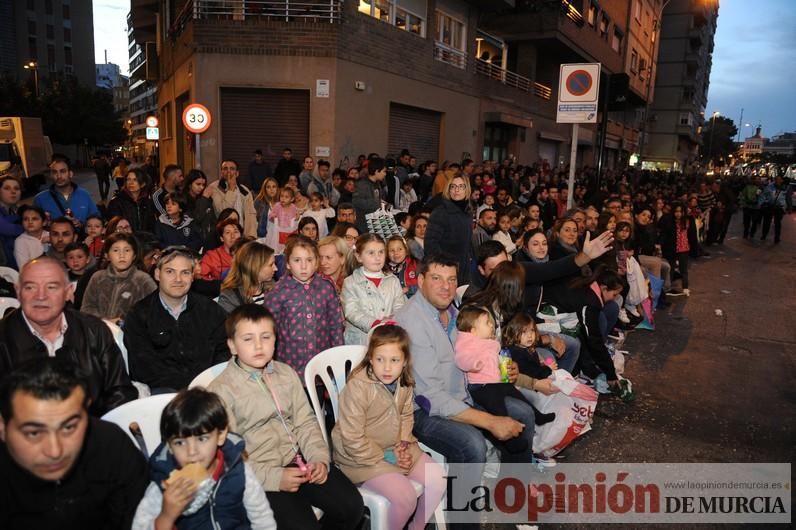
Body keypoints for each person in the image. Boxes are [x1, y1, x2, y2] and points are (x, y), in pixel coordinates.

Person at [395, 254, 534, 521]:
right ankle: (463, 523)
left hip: (465, 393)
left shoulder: (454, 311)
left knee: (523, 414)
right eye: (436, 279)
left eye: (451, 279)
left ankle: (513, 502)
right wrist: (491, 421)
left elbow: (474, 353)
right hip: (422, 412)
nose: (446, 287)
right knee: (471, 445)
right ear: (420, 281)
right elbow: (431, 398)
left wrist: (503, 369)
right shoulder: (411, 322)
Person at [208, 305, 365, 530]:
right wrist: (275, 478)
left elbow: (305, 422)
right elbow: (228, 458)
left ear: (275, 339)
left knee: (352, 507)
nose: (259, 345)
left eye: (266, 337)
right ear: (232, 345)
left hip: (300, 461)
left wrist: (319, 459)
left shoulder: (285, 373)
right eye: (248, 339)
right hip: (261, 476)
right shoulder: (221, 391)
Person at [0, 358, 149, 529]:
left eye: (69, 427)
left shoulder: (112, 447)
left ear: (87, 412)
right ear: (3, 427)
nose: (55, 451)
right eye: (34, 433)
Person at [332, 324, 446, 530]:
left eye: (394, 360)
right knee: (406, 498)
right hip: (360, 458)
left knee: (438, 480)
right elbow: (352, 438)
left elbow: (405, 415)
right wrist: (389, 458)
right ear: (370, 358)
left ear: (404, 362)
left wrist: (402, 446)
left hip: (393, 447)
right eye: (380, 359)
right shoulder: (357, 388)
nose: (386, 368)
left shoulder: (404, 382)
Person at [0, 257, 136, 415]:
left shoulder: (94, 330)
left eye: (52, 287)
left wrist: (91, 430)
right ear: (18, 292)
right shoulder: (4, 336)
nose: (41, 296)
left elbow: (120, 390)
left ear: (68, 292)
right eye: (30, 287)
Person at [131, 388, 277, 530]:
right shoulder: (163, 485)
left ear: (220, 436)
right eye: (180, 442)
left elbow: (262, 517)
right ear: (169, 445)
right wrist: (167, 516)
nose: (192, 452)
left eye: (202, 439)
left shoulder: (238, 470)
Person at [125, 246, 230, 391]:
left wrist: (209, 381)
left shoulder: (210, 310)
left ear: (193, 276)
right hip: (162, 393)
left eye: (185, 273)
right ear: (157, 274)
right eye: (170, 272)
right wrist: (185, 389)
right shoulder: (139, 315)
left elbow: (224, 350)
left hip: (210, 387)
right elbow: (143, 366)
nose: (178, 279)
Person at [453, 305, 554, 455]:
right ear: (473, 330)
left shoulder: (486, 341)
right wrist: (474, 363)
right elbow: (461, 358)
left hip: (496, 381)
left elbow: (495, 357)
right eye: (487, 323)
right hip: (482, 386)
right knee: (499, 409)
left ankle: (538, 416)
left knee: (516, 394)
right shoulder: (467, 341)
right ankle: (510, 442)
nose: (491, 325)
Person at [264, 235, 344, 379]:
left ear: (316, 263)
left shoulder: (326, 288)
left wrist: (337, 362)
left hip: (322, 366)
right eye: (297, 260)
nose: (303, 266)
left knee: (318, 400)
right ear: (287, 263)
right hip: (289, 367)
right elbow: (269, 332)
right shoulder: (277, 293)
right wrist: (269, 364)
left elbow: (335, 327)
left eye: (309, 260)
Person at [342, 234, 406, 345]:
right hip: (360, 343)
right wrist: (376, 323)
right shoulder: (350, 282)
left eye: (381, 252)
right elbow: (352, 312)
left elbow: (400, 305)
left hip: (388, 338)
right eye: (371, 253)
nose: (377, 258)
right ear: (359, 257)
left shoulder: (392, 280)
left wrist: (393, 319)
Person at [80, 233, 157, 324]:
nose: (122, 255)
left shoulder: (143, 280)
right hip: (99, 333)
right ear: (107, 255)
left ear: (134, 255)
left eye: (127, 250)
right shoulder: (98, 277)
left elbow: (155, 312)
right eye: (116, 250)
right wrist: (106, 322)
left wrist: (123, 322)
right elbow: (86, 309)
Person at [425, 174, 475, 284]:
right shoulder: (440, 212)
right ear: (448, 189)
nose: (456, 190)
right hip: (445, 270)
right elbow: (430, 244)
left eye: (461, 186)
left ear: (467, 189)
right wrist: (446, 265)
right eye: (453, 186)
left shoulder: (468, 212)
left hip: (464, 268)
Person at [34, 156, 99, 229]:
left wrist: (82, 225)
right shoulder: (40, 199)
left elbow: (96, 220)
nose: (58, 176)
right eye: (54, 172)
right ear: (51, 175)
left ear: (70, 174)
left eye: (63, 171)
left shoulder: (84, 195)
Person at [218, 241, 277, 312]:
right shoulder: (230, 296)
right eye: (271, 265)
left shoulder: (273, 286)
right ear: (254, 267)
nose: (276, 268)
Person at [659, 203, 694, 297]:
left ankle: (685, 287)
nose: (678, 214)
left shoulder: (687, 221)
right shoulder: (669, 221)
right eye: (676, 211)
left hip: (684, 249)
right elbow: (665, 234)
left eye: (680, 211)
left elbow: (691, 235)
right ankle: (668, 288)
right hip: (671, 249)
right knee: (671, 268)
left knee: (684, 270)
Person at [106, 167, 155, 233]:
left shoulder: (147, 202)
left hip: (145, 240)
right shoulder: (116, 202)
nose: (131, 183)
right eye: (128, 179)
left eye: (135, 180)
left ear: (143, 184)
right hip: (124, 239)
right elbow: (113, 227)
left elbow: (152, 226)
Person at [184, 169, 217, 249]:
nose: (201, 187)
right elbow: (196, 219)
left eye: (203, 185)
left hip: (208, 242)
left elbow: (212, 219)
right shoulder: (183, 200)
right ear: (189, 184)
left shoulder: (206, 199)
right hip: (192, 242)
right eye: (198, 184)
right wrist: (204, 199)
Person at [353, 157, 387, 234]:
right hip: (364, 226)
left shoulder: (377, 184)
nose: (385, 174)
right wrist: (377, 203)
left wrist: (382, 203)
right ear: (377, 171)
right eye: (384, 171)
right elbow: (357, 202)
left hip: (375, 222)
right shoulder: (362, 184)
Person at [0, 175, 23, 269]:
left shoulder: (15, 212)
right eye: (7, 188)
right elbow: (6, 229)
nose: (13, 192)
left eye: (16, 188)